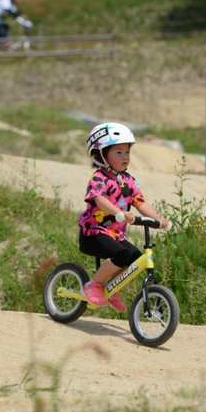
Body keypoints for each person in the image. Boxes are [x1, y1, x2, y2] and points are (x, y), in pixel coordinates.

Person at [78, 123, 171, 312]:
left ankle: (111, 288)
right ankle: (94, 284)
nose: (125, 156)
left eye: (127, 152)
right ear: (101, 155)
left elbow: (140, 202)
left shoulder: (129, 180)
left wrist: (158, 220)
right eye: (118, 152)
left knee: (135, 258)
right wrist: (117, 213)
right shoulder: (99, 178)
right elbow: (99, 198)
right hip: (93, 233)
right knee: (122, 254)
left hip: (114, 235)